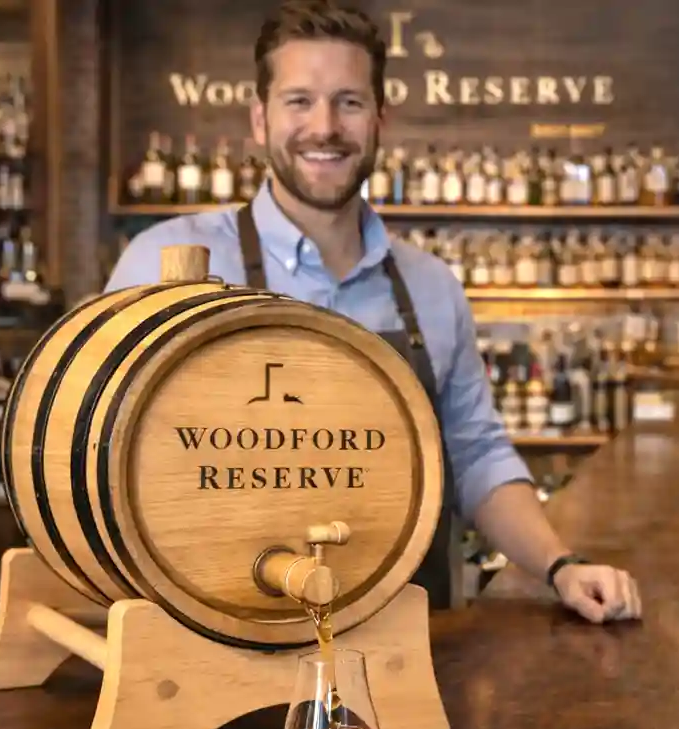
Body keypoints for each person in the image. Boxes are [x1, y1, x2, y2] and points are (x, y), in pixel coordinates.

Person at [103, 0, 641, 624]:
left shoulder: (431, 287)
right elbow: (104, 456)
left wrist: (560, 566)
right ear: (259, 119)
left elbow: (476, 456)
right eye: (299, 101)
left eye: (349, 102)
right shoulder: (166, 265)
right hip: (218, 645)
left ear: (381, 119)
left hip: (410, 649)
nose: (325, 126)